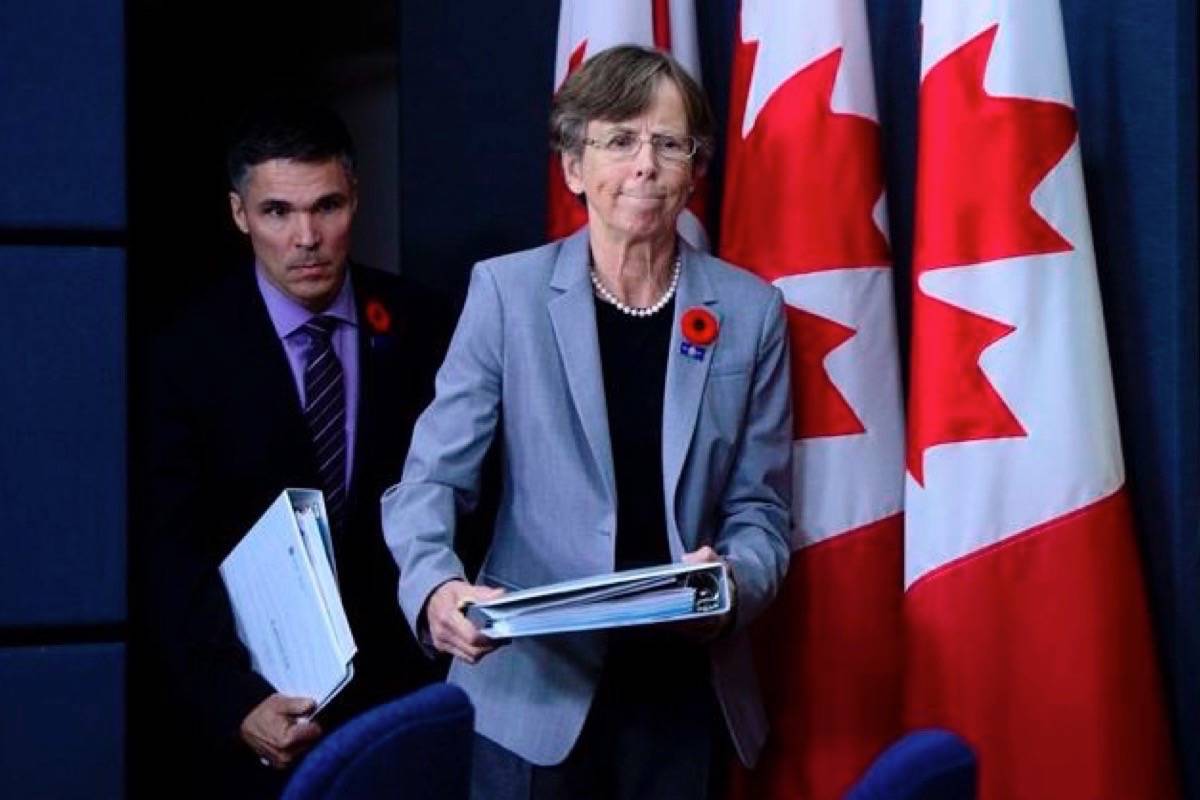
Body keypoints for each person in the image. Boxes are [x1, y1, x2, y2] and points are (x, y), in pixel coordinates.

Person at [382, 45, 793, 799]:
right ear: (574, 167)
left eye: (669, 143)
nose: (645, 164)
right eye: (619, 140)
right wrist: (436, 588)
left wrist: (730, 586)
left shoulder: (751, 311)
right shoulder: (506, 293)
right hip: (531, 698)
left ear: (694, 169)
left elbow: (761, 513)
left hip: (680, 693)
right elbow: (430, 481)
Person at [138, 104, 449, 798]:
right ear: (239, 213)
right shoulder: (185, 353)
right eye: (277, 212)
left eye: (327, 206)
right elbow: (170, 552)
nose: (306, 238)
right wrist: (234, 699)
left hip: (405, 707)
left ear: (356, 199)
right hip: (254, 710)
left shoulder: (428, 325)